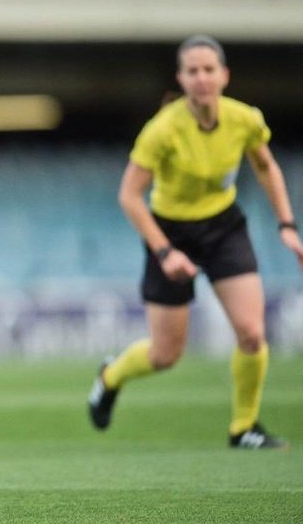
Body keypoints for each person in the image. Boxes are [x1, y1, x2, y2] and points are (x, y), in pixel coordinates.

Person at [88, 35, 303, 449]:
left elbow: (266, 167)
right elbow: (129, 196)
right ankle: (110, 376)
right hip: (171, 231)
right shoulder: (162, 130)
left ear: (224, 75)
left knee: (252, 333)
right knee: (165, 355)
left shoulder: (245, 120)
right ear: (181, 78)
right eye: (193, 71)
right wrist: (165, 251)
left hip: (224, 227)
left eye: (209, 69)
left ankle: (244, 428)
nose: (202, 78)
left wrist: (287, 225)